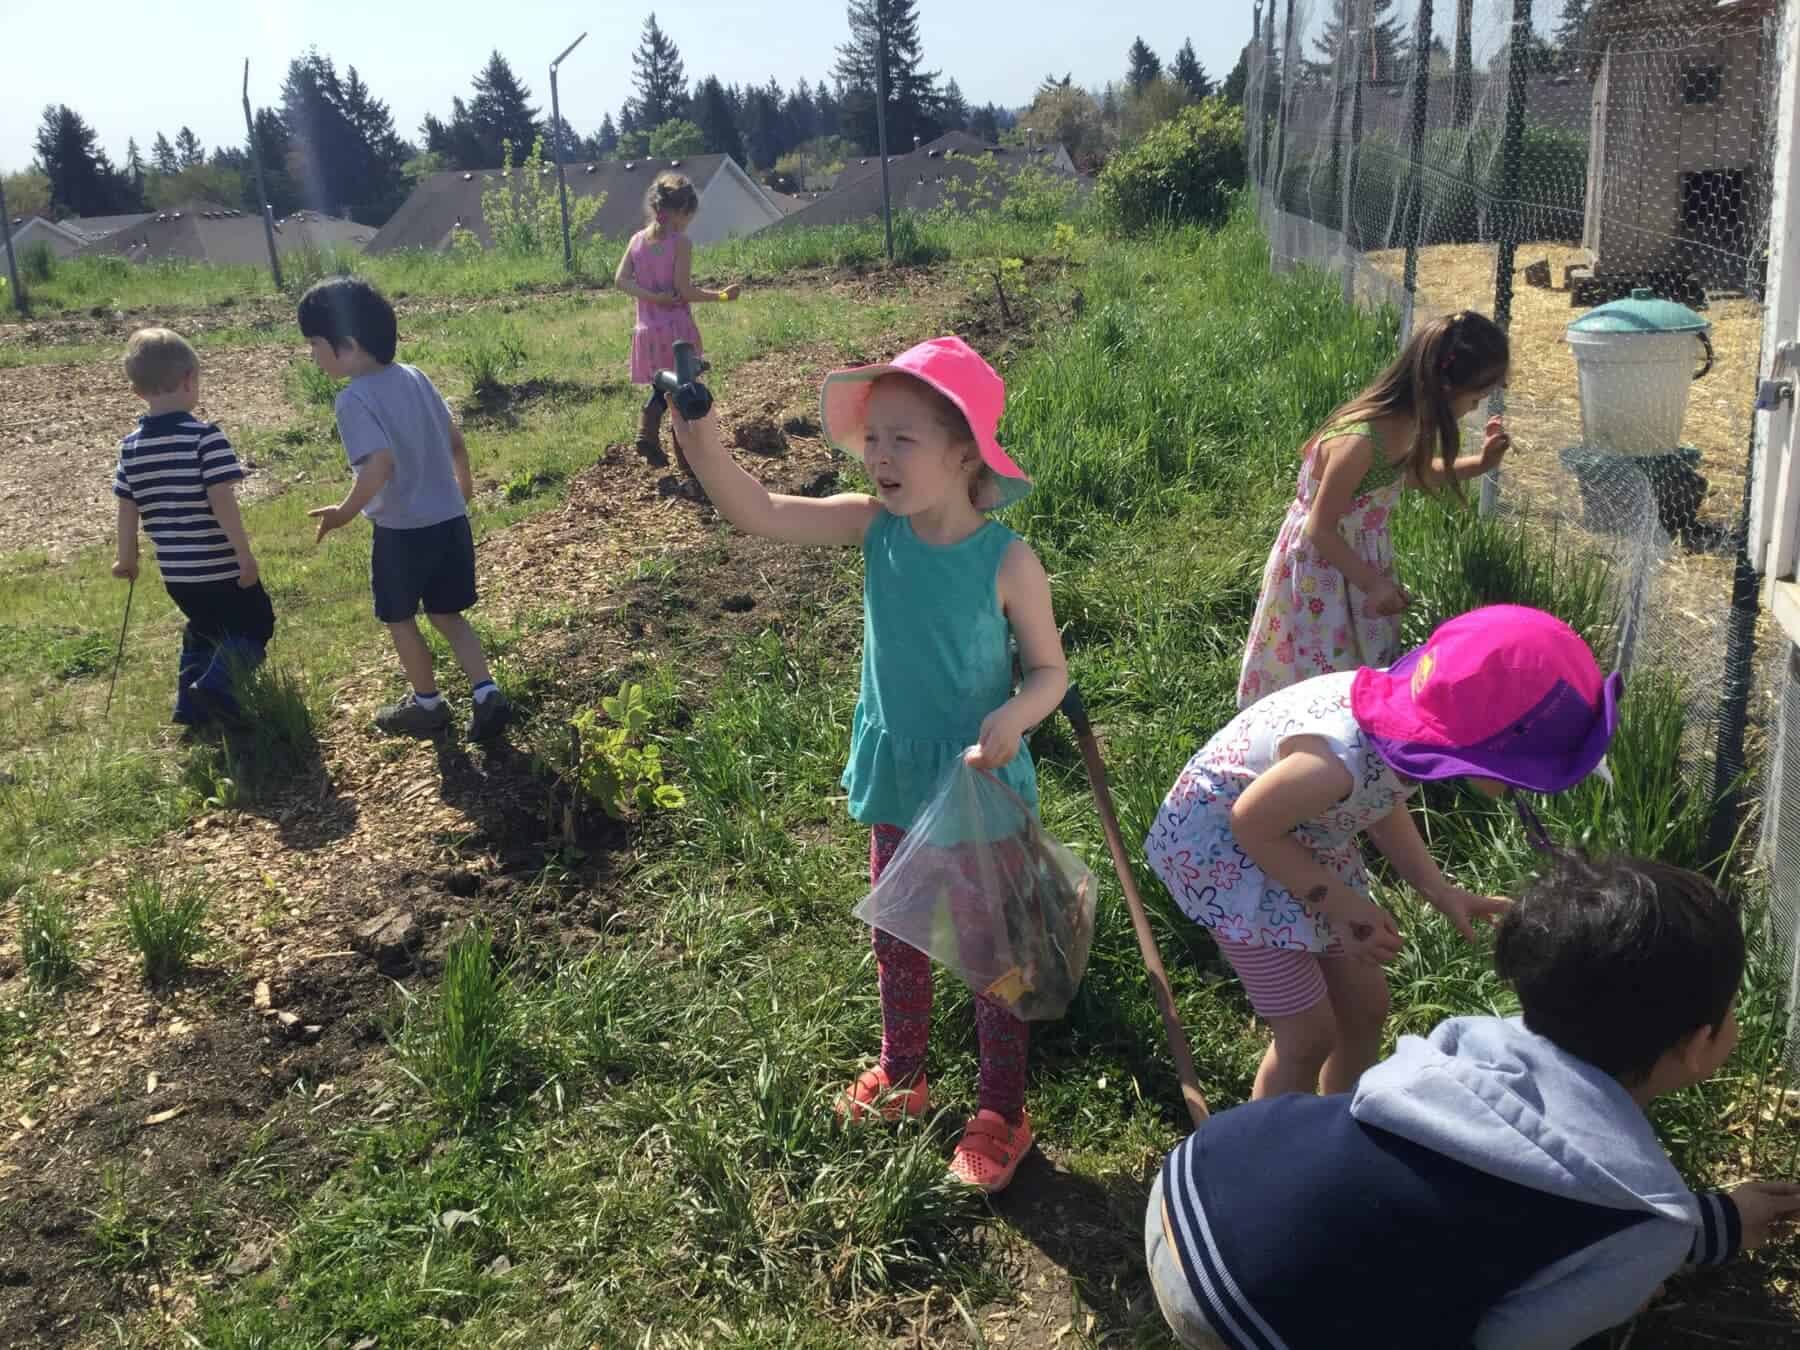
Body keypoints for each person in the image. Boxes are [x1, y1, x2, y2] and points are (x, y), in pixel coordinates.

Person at [665, 336, 1068, 1193]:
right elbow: (762, 511)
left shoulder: (1006, 560)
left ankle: (1002, 1111)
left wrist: (1014, 716)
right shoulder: (874, 527)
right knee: (899, 934)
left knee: (995, 956)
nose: (879, 456)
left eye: (902, 439)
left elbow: (1049, 672)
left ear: (965, 454)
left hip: (977, 785)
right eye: (872, 438)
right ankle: (904, 1071)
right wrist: (701, 442)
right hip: (898, 776)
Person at [1145, 851, 1800, 1350]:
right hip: (1244, 1311)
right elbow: (1507, 1339)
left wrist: (1686, 1228)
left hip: (1199, 1176)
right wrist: (1662, 1247)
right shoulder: (1647, 1220)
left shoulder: (1469, 1043)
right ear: (1699, 1045)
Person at [1147, 604, 1619, 1101]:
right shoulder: (1336, 761)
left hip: (1300, 836)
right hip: (1229, 860)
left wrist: (1438, 890)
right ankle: (1268, 1141)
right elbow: (1250, 824)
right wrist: (1344, 907)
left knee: (1366, 1006)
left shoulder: (1406, 730)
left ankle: (1336, 1120)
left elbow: (1378, 798)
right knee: (1308, 1035)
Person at [1237, 310, 1513, 709]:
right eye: (1475, 397)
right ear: (1445, 387)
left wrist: (1481, 464)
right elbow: (1319, 529)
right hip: (1324, 572)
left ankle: (1357, 723)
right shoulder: (1363, 441)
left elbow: (1411, 475)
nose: (1475, 407)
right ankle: (1300, 726)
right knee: (1319, 665)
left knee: (1358, 658)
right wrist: (1374, 584)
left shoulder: (1404, 424)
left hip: (1355, 565)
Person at [297, 277, 510, 742]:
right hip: (450, 521)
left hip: (402, 532)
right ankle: (486, 692)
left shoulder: (354, 398)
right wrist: (463, 489)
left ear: (348, 345)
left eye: (314, 344)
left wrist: (344, 512)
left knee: (400, 618)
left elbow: (379, 464)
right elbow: (455, 440)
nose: (312, 355)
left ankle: (427, 705)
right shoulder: (416, 377)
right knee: (448, 615)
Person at [111, 327, 275, 727]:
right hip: (219, 565)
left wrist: (126, 559)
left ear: (137, 392)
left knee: (202, 630)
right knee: (254, 625)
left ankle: (189, 706)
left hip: (178, 574)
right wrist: (243, 554)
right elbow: (222, 501)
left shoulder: (130, 449)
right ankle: (219, 688)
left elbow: (127, 510)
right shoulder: (205, 438)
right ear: (190, 380)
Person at [613, 172, 741, 475]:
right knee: (684, 394)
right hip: (676, 331)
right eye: (689, 218)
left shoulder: (637, 240)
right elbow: (685, 291)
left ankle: (648, 432)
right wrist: (722, 296)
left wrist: (652, 298)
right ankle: (689, 462)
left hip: (647, 331)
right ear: (683, 211)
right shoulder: (680, 243)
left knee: (663, 387)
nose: (688, 224)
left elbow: (620, 280)